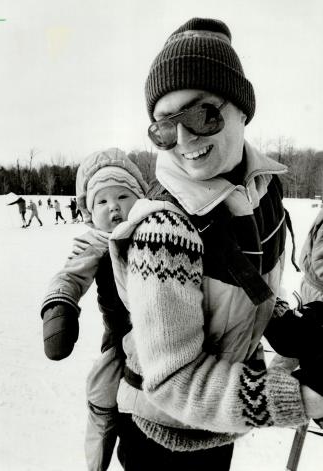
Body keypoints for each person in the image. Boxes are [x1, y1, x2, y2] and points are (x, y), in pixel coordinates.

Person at [106, 18, 323, 470]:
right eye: (164, 127)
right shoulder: (165, 230)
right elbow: (174, 381)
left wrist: (290, 325)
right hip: (162, 442)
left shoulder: (263, 195)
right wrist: (305, 397)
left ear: (243, 109)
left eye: (202, 115)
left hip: (218, 428)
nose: (183, 140)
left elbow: (241, 296)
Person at [40, 148, 148, 471]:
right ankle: (96, 462)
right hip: (121, 338)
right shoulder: (96, 243)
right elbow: (70, 275)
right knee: (102, 392)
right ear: (90, 210)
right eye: (102, 201)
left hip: (160, 333)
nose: (114, 206)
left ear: (138, 199)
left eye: (122, 196)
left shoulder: (154, 232)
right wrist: (60, 306)